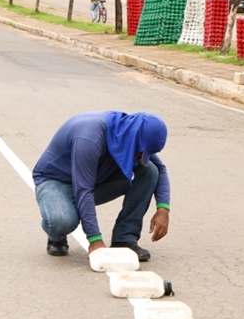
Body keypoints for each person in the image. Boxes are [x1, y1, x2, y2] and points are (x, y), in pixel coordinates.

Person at [32, 111, 171, 261]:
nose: (141, 156)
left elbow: (160, 169)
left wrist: (163, 209)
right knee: (61, 222)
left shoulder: (128, 134)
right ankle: (56, 233)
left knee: (149, 171)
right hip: (57, 181)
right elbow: (83, 189)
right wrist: (95, 240)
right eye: (142, 152)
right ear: (134, 138)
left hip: (93, 180)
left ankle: (124, 239)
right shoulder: (89, 137)